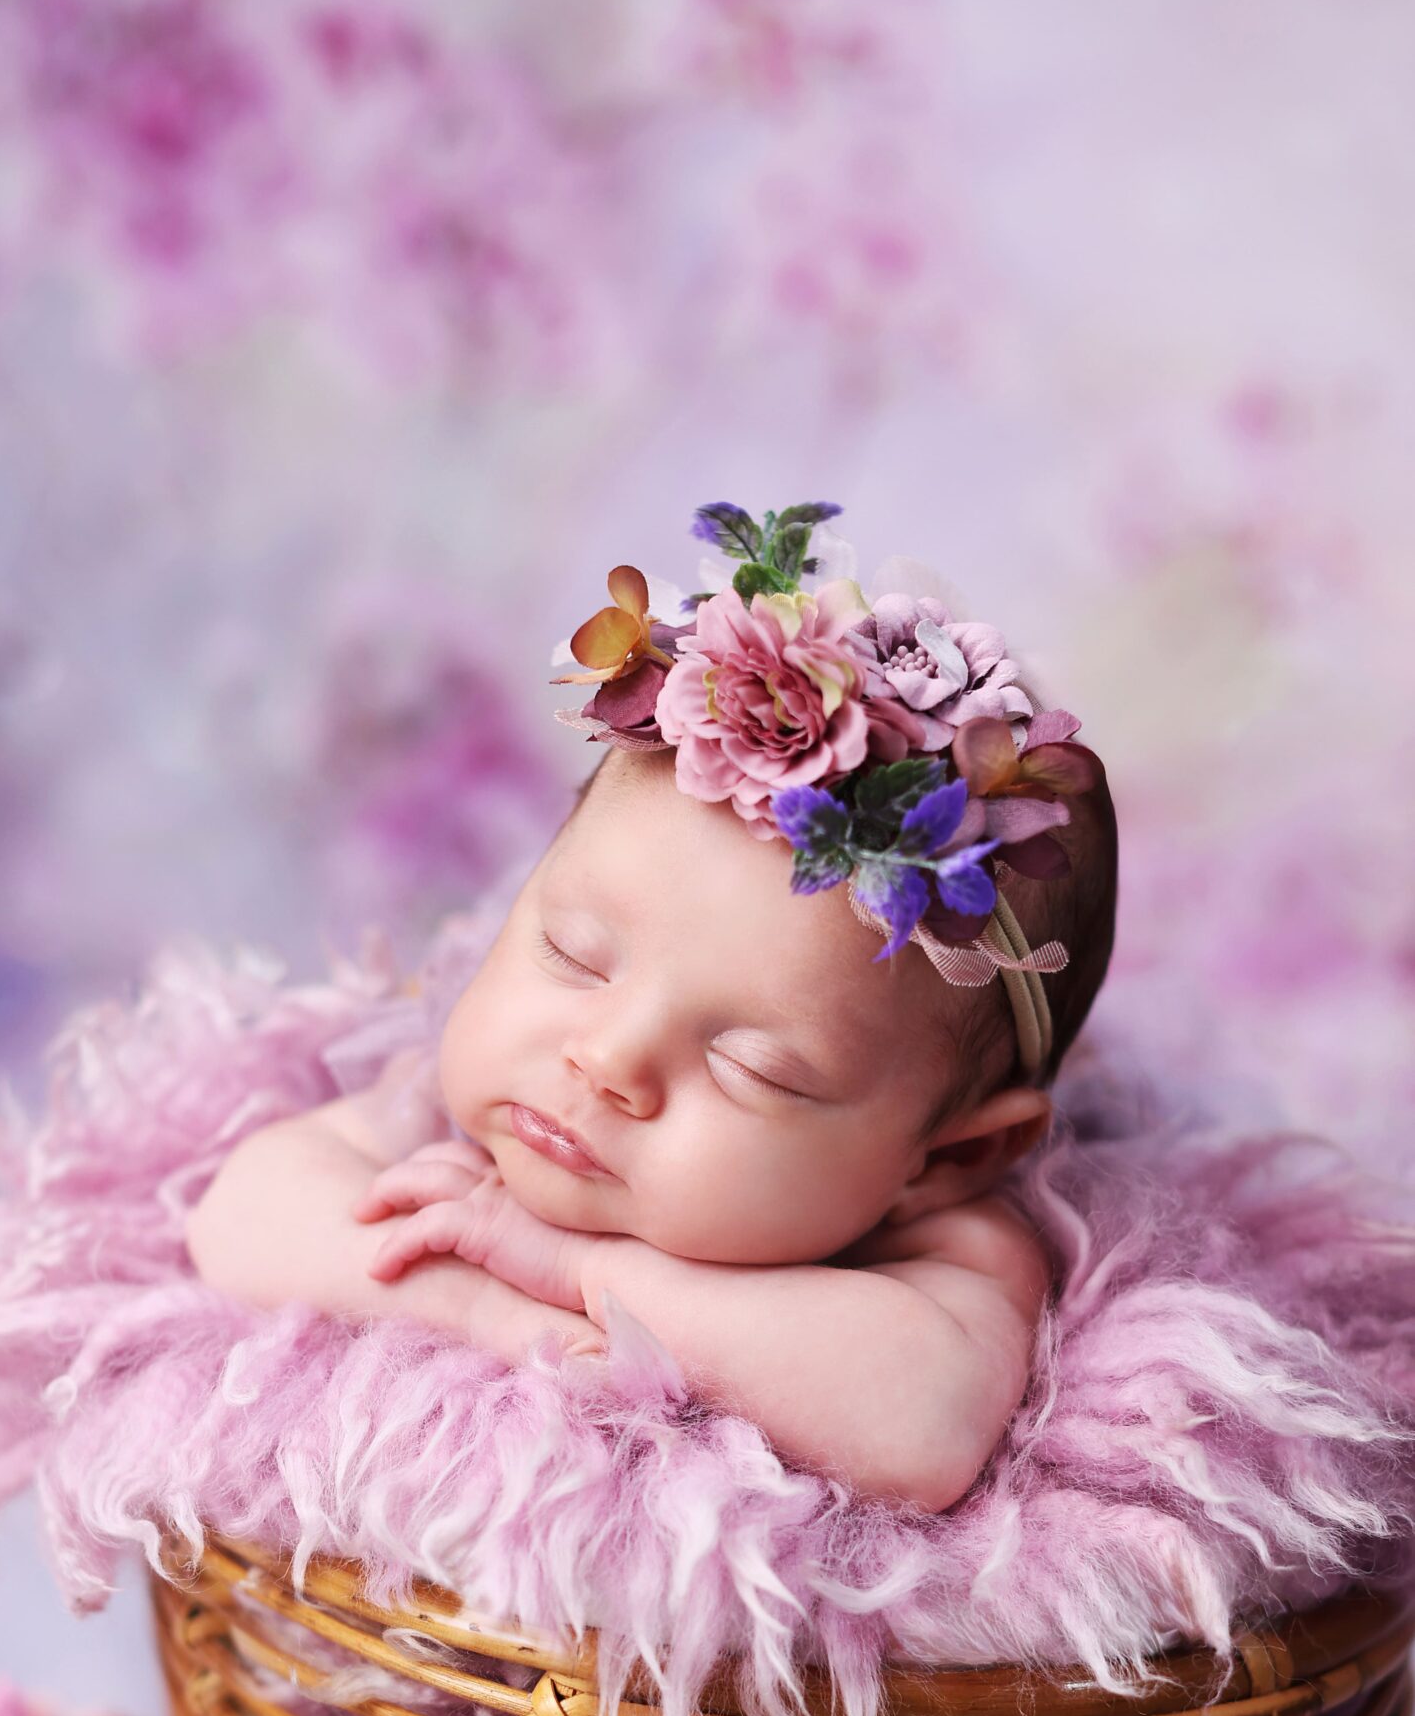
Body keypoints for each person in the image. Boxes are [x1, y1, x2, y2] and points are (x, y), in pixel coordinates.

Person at [186, 503, 1116, 1513]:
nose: (606, 1058)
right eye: (571, 954)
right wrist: (487, 1309)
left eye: (750, 1065)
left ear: (941, 1159)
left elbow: (920, 1427)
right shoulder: (453, 1121)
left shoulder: (950, 1249)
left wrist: (581, 1270)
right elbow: (243, 1217)